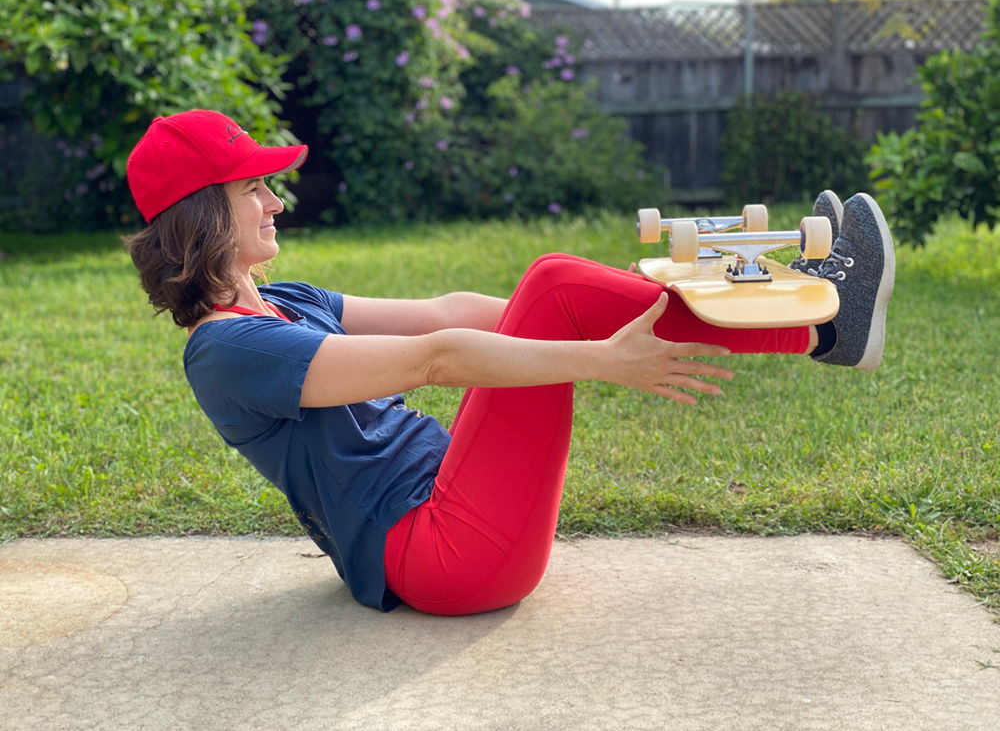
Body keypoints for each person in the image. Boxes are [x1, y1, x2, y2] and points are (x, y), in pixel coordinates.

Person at [125, 109, 895, 615]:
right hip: (444, 551)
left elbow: (445, 312)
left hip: (452, 499)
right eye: (253, 186)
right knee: (556, 285)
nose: (276, 201)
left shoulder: (282, 302)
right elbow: (435, 359)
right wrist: (596, 355)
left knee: (551, 286)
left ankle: (815, 311)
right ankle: (825, 327)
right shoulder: (228, 350)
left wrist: (591, 313)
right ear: (201, 211)